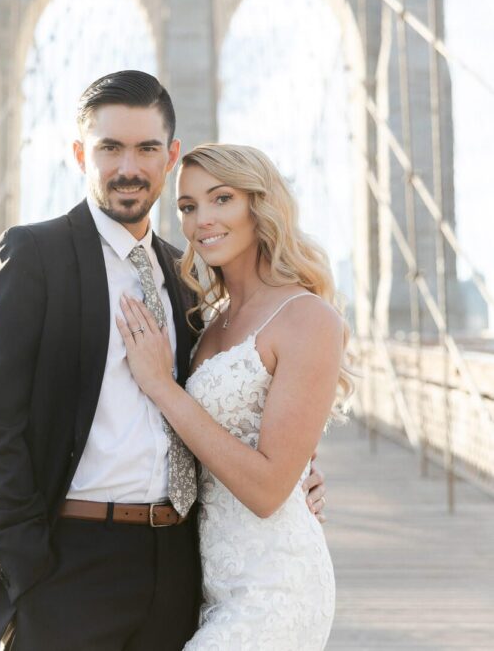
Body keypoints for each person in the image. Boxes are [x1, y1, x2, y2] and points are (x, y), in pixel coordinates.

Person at [0, 71, 328, 651]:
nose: (129, 167)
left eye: (146, 148)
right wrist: (29, 573)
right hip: (67, 564)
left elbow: (246, 390)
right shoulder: (33, 255)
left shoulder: (190, 279)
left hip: (179, 567)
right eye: (109, 147)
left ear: (170, 157)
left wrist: (298, 467)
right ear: (80, 154)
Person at [118, 142, 352, 650]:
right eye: (187, 206)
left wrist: (161, 386)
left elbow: (269, 491)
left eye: (221, 199)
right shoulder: (206, 319)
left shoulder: (307, 317)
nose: (202, 220)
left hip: (276, 588)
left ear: (258, 205)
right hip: (206, 583)